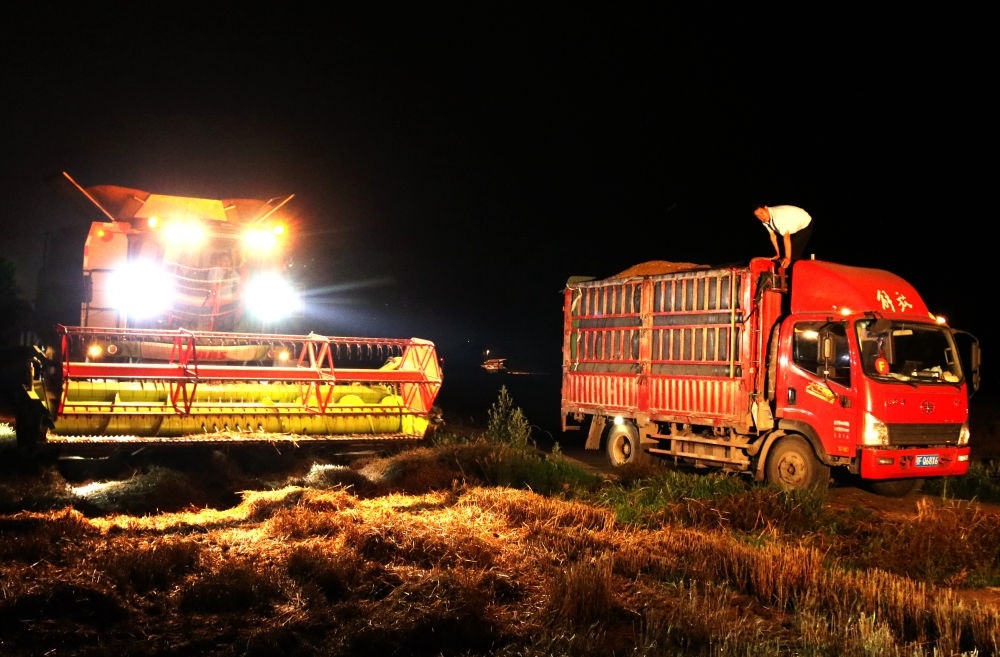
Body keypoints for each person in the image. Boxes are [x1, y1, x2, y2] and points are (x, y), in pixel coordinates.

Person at [754, 204, 813, 269]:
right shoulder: (765, 221)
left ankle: (808, 269)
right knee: (784, 254)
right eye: (758, 216)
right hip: (793, 226)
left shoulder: (778, 218)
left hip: (805, 223)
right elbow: (773, 236)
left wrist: (788, 258)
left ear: (766, 208)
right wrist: (778, 254)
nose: (761, 217)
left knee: (793, 256)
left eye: (761, 213)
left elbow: (786, 237)